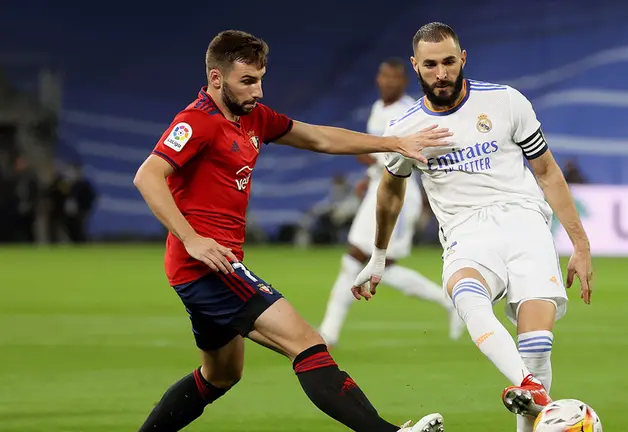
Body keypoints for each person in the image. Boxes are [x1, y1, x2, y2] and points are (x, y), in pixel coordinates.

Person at [133, 30, 449, 432]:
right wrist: (192, 239)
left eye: (261, 79)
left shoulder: (253, 118)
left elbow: (319, 137)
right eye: (247, 81)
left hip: (209, 267)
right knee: (307, 342)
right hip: (209, 268)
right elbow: (148, 176)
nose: (259, 91)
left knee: (220, 375)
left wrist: (392, 142)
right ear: (216, 78)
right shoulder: (196, 122)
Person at [351, 22, 593, 432]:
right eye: (431, 65)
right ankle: (536, 393)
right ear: (416, 66)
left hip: (525, 222)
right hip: (466, 232)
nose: (441, 73)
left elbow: (547, 171)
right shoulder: (403, 130)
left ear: (463, 58)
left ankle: (531, 388)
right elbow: (389, 193)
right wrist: (378, 256)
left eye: (449, 61)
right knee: (466, 294)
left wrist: (581, 246)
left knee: (536, 348)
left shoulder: (505, 101)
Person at [319, 58, 463, 347]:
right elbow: (378, 154)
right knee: (366, 260)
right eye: (383, 76)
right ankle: (328, 332)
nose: (387, 82)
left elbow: (404, 153)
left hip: (401, 191)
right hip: (377, 186)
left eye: (393, 77)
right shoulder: (378, 109)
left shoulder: (409, 111)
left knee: (367, 258)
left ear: (404, 82)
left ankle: (328, 332)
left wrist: (368, 155)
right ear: (378, 79)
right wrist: (370, 172)